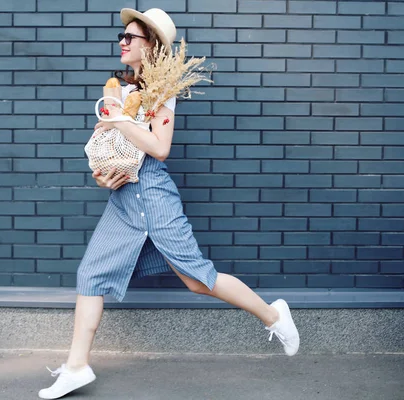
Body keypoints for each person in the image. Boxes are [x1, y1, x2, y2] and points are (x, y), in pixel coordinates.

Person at [38, 8, 300, 400]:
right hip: (124, 196)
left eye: (132, 37)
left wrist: (120, 121)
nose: (122, 42)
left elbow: (159, 149)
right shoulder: (119, 93)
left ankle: (274, 314)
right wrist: (101, 174)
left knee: (197, 279)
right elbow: (110, 151)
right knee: (90, 275)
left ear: (151, 46)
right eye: (121, 36)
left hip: (154, 194)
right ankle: (76, 367)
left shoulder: (163, 93)